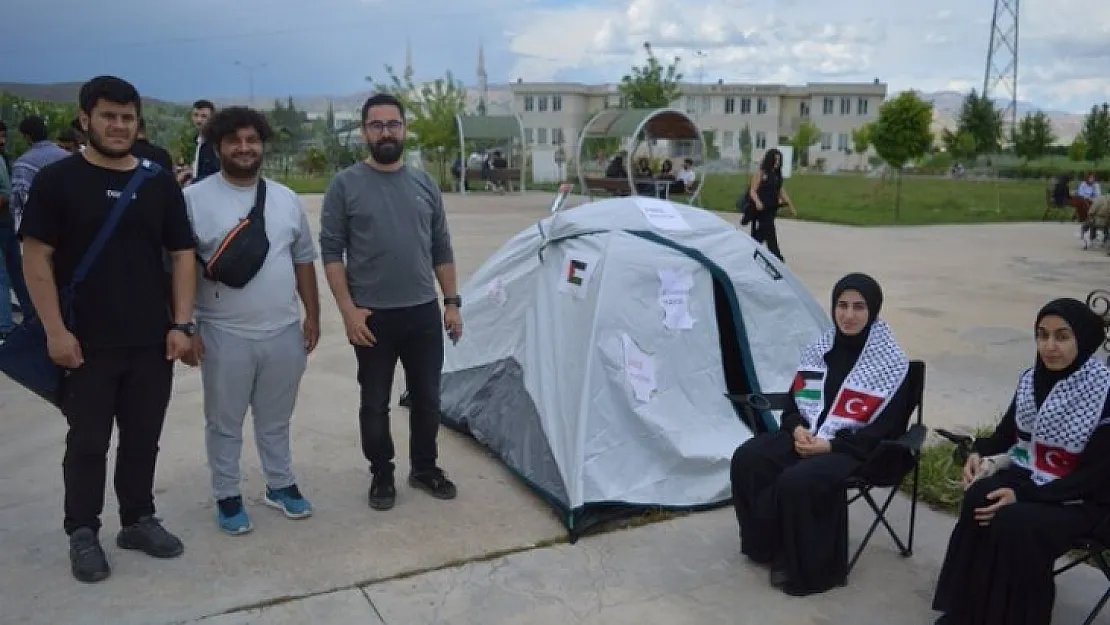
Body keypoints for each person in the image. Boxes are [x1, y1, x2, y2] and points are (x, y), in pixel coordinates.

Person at [18, 75, 197, 583]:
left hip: (150, 341)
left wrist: (182, 323)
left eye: (127, 117)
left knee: (144, 439)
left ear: (138, 123)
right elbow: (36, 258)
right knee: (88, 443)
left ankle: (138, 519)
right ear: (85, 120)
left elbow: (182, 253)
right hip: (84, 344)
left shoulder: (157, 180)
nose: (118, 126)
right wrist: (54, 331)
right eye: (108, 116)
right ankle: (82, 531)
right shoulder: (58, 182)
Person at [180, 106, 320, 535]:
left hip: (282, 332)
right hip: (223, 333)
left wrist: (312, 313)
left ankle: (280, 485)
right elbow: (179, 268)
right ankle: (226, 493)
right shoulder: (192, 199)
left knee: (276, 418)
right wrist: (185, 326)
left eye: (252, 140)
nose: (244, 148)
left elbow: (302, 260)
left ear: (263, 145)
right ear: (218, 146)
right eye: (234, 141)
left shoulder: (285, 197)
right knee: (224, 422)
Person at [319, 93, 462, 511]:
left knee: (428, 399)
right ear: (364, 131)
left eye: (393, 124)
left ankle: (424, 468)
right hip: (372, 318)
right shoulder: (345, 185)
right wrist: (347, 310)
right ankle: (381, 474)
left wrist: (451, 302)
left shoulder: (423, 183)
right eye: (377, 125)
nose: (386, 132)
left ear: (404, 129)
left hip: (422, 312)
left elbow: (441, 246)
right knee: (374, 404)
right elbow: (331, 252)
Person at [730, 272, 913, 596]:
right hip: (809, 435)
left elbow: (888, 428)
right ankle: (766, 546)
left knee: (799, 480)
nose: (849, 315)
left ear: (873, 311)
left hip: (856, 449)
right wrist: (797, 428)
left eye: (859, 307)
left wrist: (830, 445)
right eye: (842, 305)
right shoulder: (820, 349)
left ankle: (809, 569)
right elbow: (793, 403)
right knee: (749, 457)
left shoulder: (892, 364)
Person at [931, 298, 1110, 625]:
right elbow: (1005, 436)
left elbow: (1096, 477)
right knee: (978, 495)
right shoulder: (1033, 379)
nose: (1049, 346)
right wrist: (979, 455)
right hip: (1038, 479)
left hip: (1089, 499)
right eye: (1042, 335)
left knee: (1015, 521)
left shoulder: (1104, 393)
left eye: (1062, 336)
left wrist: (1023, 495)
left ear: (1082, 339)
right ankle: (969, 612)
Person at [746, 148, 796, 262]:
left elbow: (781, 191)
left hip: (772, 208)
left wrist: (790, 205)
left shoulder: (777, 175)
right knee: (769, 231)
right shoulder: (761, 173)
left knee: (763, 232)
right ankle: (777, 257)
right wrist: (758, 202)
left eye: (779, 160)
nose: (777, 162)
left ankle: (749, 250)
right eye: (775, 160)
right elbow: (752, 190)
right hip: (761, 208)